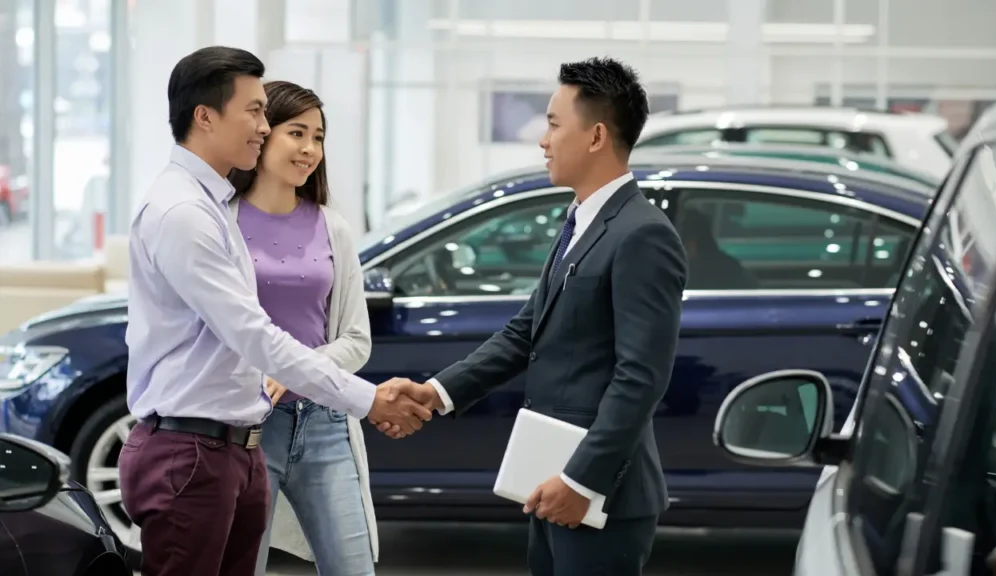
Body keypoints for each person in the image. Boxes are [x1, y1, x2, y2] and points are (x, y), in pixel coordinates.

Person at [119, 46, 432, 576]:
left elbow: (278, 336)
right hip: (193, 450)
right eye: (256, 111)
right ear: (205, 116)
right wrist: (369, 398)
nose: (264, 127)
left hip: (237, 444)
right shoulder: (185, 214)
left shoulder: (211, 206)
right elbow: (254, 335)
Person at [374, 57, 688, 575]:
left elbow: (641, 377)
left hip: (597, 494)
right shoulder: (582, 221)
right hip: (551, 480)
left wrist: (581, 481)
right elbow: (526, 333)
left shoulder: (642, 235)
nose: (543, 140)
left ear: (596, 136)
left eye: (553, 123)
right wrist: (437, 393)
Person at [224, 80, 377, 575]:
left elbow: (356, 341)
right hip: (247, 428)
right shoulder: (219, 222)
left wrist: (293, 371)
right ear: (263, 134)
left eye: (319, 136)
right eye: (297, 133)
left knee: (353, 568)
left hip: (325, 423)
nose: (310, 148)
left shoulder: (332, 226)